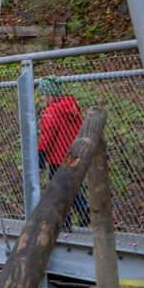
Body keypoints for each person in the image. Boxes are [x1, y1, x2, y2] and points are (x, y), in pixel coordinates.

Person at [37, 76, 90, 230]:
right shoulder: (72, 106)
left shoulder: (52, 111)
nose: (42, 100)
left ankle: (68, 219)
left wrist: (41, 152)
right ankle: (81, 208)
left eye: (43, 96)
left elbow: (48, 134)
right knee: (69, 184)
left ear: (49, 95)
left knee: (59, 189)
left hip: (57, 158)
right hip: (73, 155)